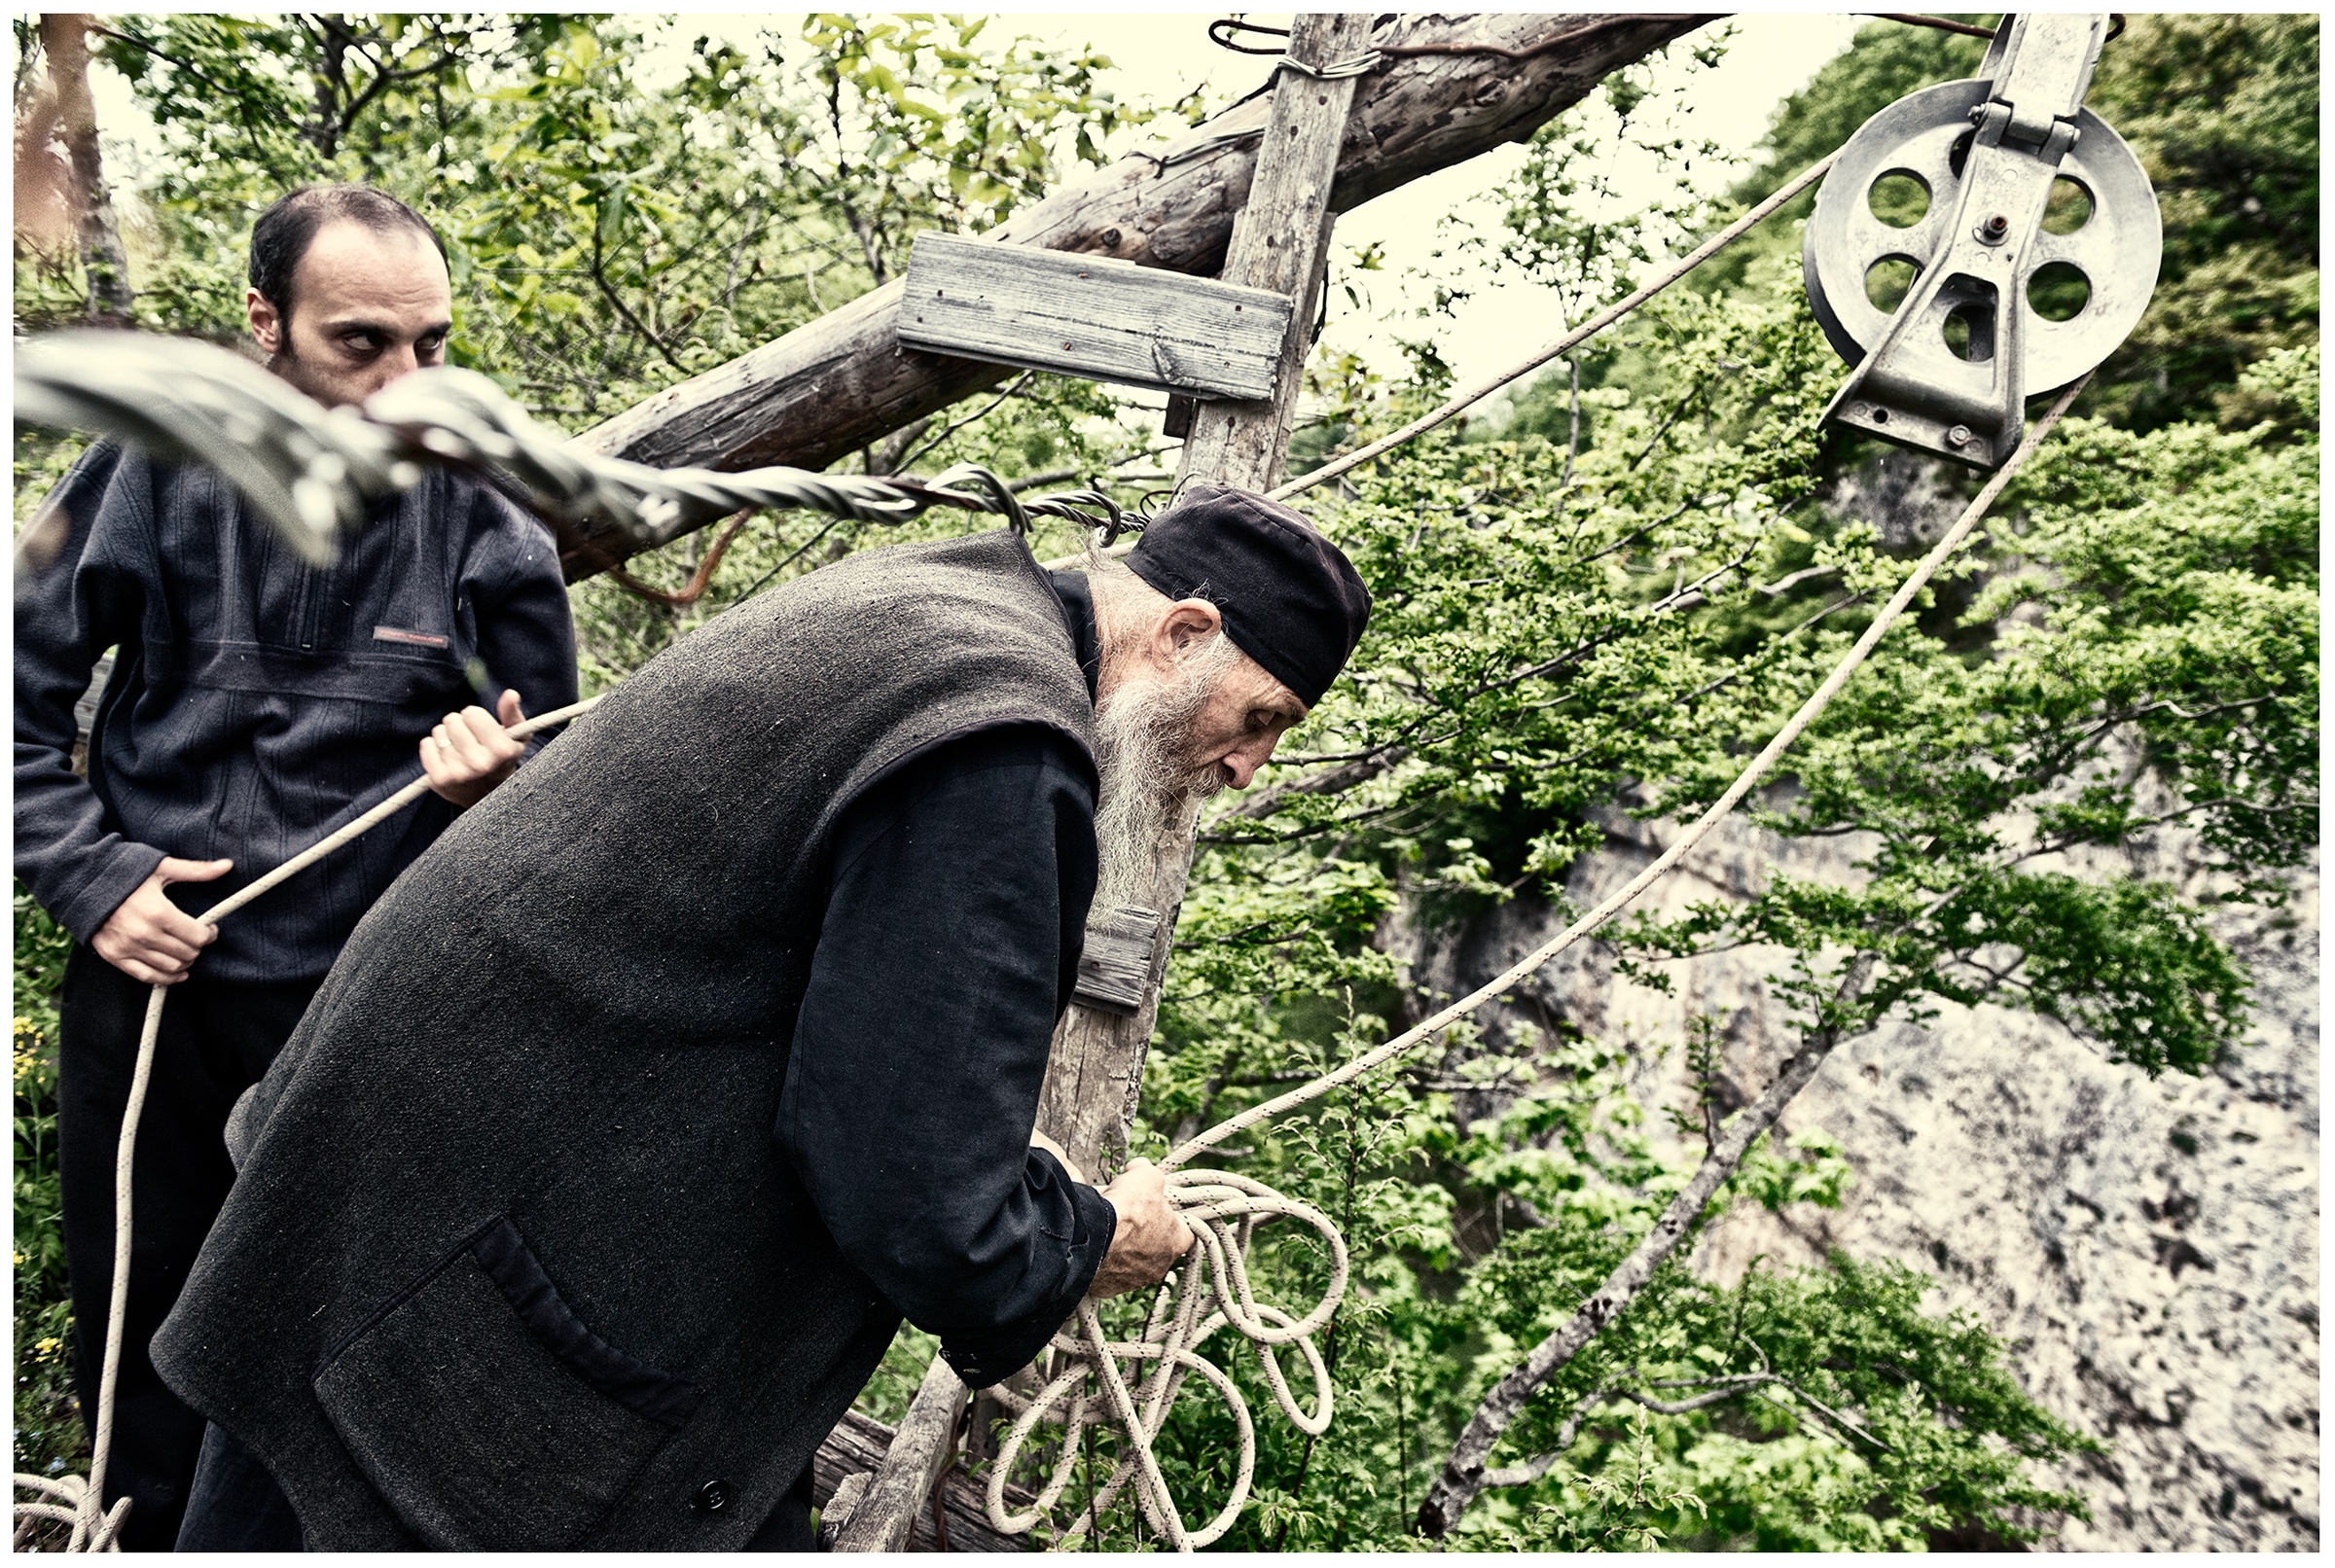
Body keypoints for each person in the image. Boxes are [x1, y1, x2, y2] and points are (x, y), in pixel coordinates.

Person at [151, 482, 1372, 1550]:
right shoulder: (1004, 747)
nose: (1246, 769)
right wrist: (1086, 1240)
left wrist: (990, 1154)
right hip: (460, 1312)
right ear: (1183, 633)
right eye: (1258, 718)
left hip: (388, 1205)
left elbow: (866, 1043)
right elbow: (917, 1196)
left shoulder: (940, 601)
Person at [12, 183, 579, 1550]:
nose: (405, 385)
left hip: (366, 1011)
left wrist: (488, 786)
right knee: (142, 1352)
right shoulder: (149, 471)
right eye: (360, 344)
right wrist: (92, 879)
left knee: (336, 1369)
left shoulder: (484, 514)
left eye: (431, 345)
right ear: (265, 325)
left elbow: (561, 791)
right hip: (154, 998)